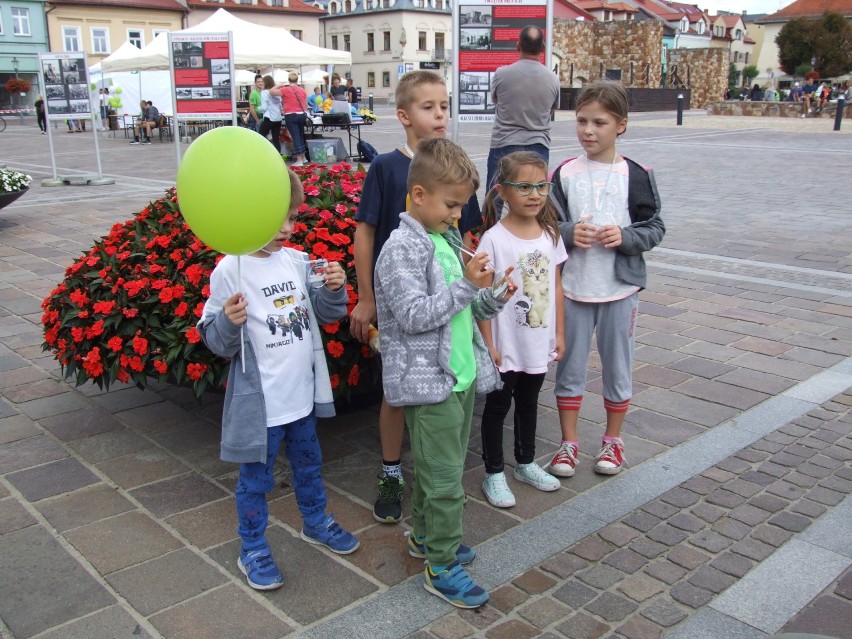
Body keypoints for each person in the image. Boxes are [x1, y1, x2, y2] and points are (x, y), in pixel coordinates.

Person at [198, 168, 360, 592]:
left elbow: (328, 315)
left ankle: (315, 521)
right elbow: (216, 341)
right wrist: (228, 324)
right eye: (278, 218)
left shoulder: (297, 261)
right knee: (256, 481)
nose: (289, 227)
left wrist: (334, 289)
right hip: (262, 408)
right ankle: (251, 547)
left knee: (310, 465)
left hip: (301, 399)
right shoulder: (228, 271)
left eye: (292, 216)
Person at [374, 137, 515, 609]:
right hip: (427, 383)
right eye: (451, 205)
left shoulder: (444, 238)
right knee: (445, 480)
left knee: (440, 469)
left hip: (458, 376)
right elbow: (414, 315)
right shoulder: (400, 249)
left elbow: (467, 306)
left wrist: (494, 294)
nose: (458, 215)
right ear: (418, 195)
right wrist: (463, 285)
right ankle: (441, 564)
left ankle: (424, 539)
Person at [350, 70, 483, 524]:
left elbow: (466, 233)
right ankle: (391, 471)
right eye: (429, 107)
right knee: (398, 391)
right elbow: (365, 231)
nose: (440, 114)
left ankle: (428, 497)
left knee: (439, 395)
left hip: (444, 304)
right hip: (404, 299)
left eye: (444, 105)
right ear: (405, 116)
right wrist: (366, 295)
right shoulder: (387, 167)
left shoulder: (453, 166)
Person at [547, 81, 665, 479]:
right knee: (569, 367)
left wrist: (625, 236)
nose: (588, 131)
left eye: (599, 122)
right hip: (573, 290)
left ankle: (613, 440)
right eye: (581, 121)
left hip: (620, 290)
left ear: (622, 125)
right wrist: (567, 233)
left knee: (618, 366)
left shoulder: (636, 174)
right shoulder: (563, 173)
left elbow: (654, 227)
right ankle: (568, 443)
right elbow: (546, 224)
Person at [476, 151, 567, 508]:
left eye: (541, 186)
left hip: (537, 340)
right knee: (498, 407)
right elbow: (483, 295)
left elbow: (556, 287)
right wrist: (488, 343)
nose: (534, 194)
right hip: (505, 342)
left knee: (529, 403)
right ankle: (494, 471)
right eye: (524, 186)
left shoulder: (549, 234)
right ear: (503, 192)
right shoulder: (494, 240)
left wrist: (558, 334)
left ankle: (526, 462)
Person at [486, 25, 560, 190]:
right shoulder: (553, 79)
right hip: (538, 145)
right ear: (542, 48)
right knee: (534, 199)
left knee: (495, 198)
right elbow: (552, 109)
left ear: (518, 45)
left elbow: (496, 100)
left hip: (504, 142)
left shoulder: (502, 74)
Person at [282, 72, 309, 165]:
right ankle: (303, 157)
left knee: (295, 136)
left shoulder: (285, 89)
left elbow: (271, 91)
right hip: (301, 114)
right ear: (297, 80)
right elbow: (305, 104)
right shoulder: (302, 90)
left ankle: (299, 159)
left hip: (290, 114)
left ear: (288, 79)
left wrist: (280, 85)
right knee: (300, 135)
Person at [258, 75, 285, 153]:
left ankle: (261, 152)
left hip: (269, 117)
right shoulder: (276, 92)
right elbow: (280, 106)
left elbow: (264, 107)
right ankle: (278, 155)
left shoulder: (264, 92)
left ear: (265, 82)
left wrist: (258, 108)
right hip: (278, 118)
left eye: (262, 81)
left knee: (260, 136)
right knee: (276, 139)